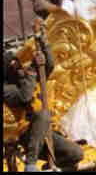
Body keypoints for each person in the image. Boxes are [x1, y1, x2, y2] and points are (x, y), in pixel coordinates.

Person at [4, 18, 84, 172]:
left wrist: (42, 39)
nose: (17, 65)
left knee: (76, 154)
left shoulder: (29, 76)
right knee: (42, 114)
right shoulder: (8, 89)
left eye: (16, 62)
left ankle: (50, 166)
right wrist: (33, 70)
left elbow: (49, 65)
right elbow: (25, 96)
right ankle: (31, 164)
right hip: (29, 134)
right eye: (12, 65)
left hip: (47, 129)